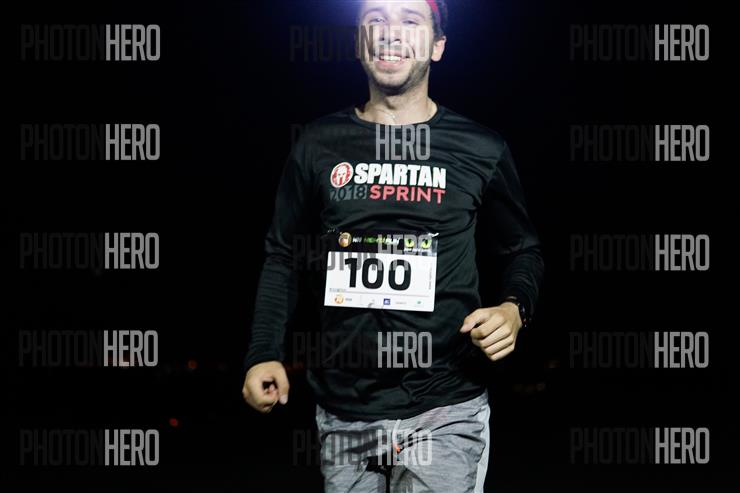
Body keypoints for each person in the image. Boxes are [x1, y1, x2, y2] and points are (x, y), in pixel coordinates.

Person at [242, 1, 544, 491]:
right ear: (358, 42)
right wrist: (263, 353)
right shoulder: (318, 143)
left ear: (438, 46)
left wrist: (514, 309)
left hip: (445, 406)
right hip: (344, 411)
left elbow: (522, 250)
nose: (390, 32)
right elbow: (283, 256)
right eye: (375, 20)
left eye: (410, 20)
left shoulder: (480, 147)